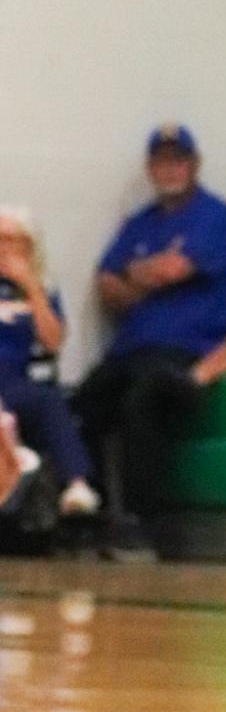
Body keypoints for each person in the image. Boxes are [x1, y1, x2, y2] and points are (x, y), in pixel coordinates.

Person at [75, 125, 226, 555]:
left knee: (142, 399)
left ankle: (144, 522)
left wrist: (138, 275)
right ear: (151, 169)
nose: (170, 169)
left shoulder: (216, 216)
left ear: (194, 165)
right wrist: (145, 275)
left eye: (178, 160)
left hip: (190, 353)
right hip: (132, 349)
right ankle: (90, 518)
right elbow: (107, 285)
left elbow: (173, 269)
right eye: (162, 162)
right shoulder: (139, 223)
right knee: (81, 404)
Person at [0, 207, 99, 515]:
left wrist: (31, 287)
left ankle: (77, 485)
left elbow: (53, 341)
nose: (4, 248)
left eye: (12, 240)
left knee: (49, 401)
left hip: (15, 380)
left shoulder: (42, 288)